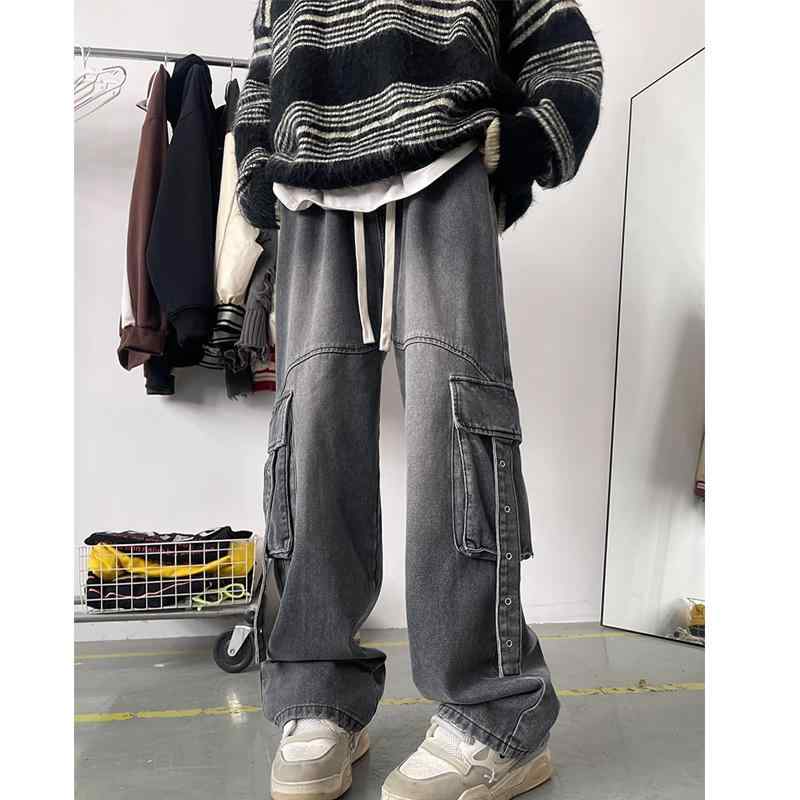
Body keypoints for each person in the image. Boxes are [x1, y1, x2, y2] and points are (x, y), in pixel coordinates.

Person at [233, 3, 603, 800]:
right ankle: (317, 690)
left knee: (456, 422)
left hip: (446, 158)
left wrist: (528, 142)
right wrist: (256, 172)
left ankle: (493, 711)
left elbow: (563, 49)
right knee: (310, 427)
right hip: (309, 184)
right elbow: (264, 69)